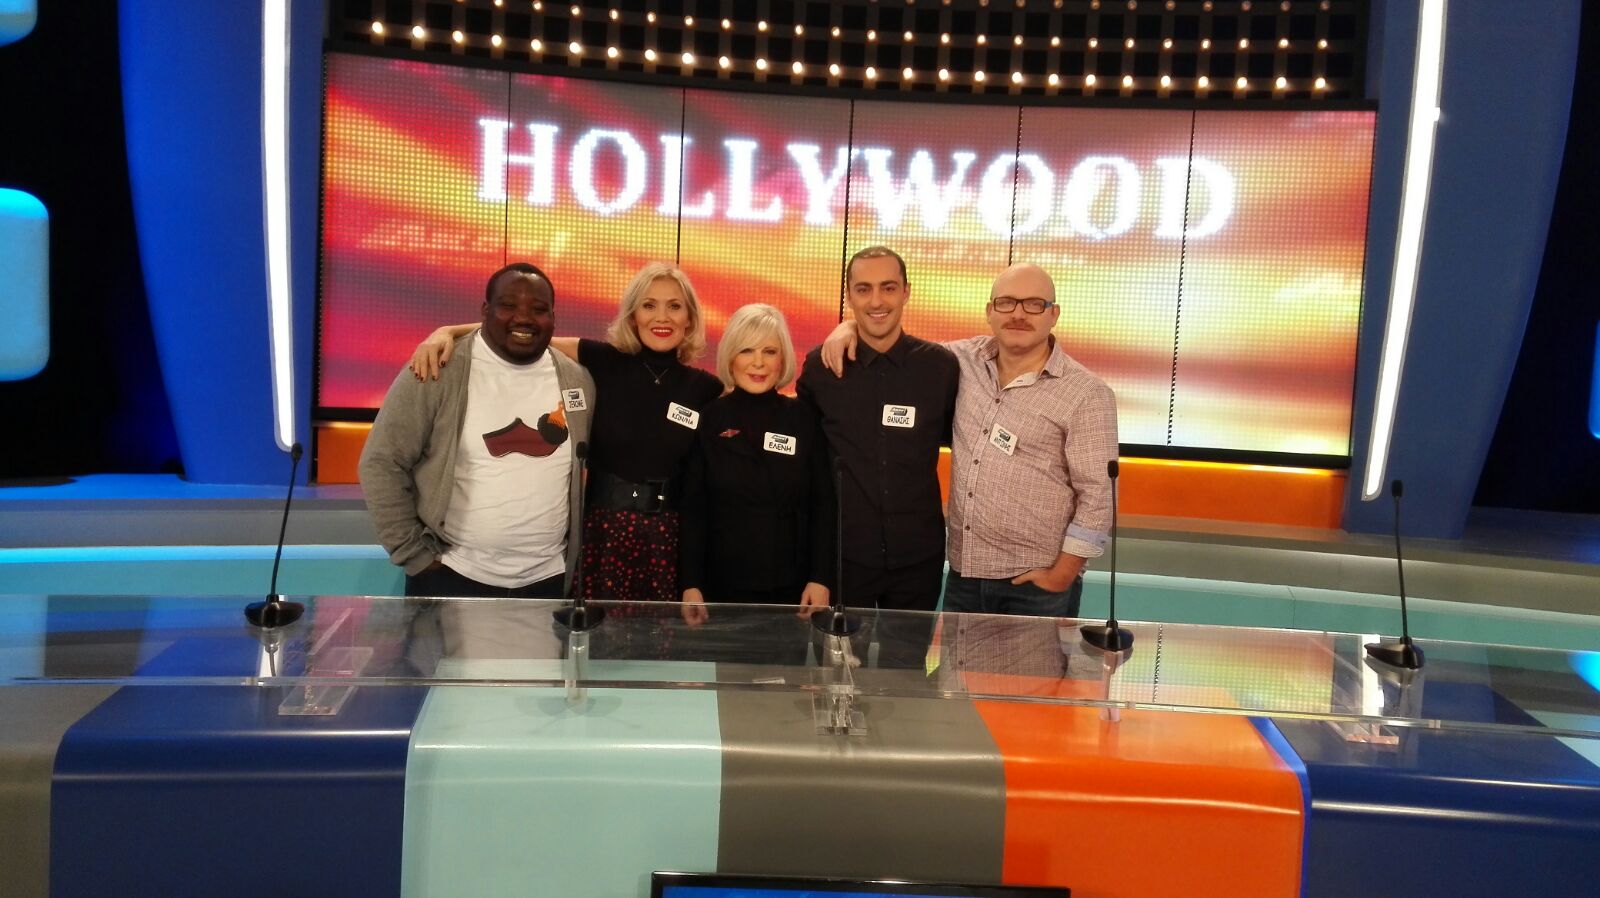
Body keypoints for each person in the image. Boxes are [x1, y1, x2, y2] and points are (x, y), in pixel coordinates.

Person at [408, 263, 723, 603]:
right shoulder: (603, 361)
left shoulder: (706, 388)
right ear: (633, 316)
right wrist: (447, 332)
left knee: (659, 635)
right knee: (596, 633)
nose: (662, 317)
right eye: (649, 305)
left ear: (690, 318)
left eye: (674, 306)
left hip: (666, 542)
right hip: (600, 536)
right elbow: (522, 332)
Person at [823, 263, 1119, 618]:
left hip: (1037, 584)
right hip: (965, 577)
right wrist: (849, 326)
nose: (1018, 314)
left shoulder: (1086, 393)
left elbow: (1099, 496)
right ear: (990, 311)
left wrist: (1062, 575)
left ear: (1053, 314)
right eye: (1006, 303)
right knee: (953, 660)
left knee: (1036, 661)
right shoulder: (959, 361)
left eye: (1033, 304)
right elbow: (894, 343)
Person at [360, 262, 595, 598]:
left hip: (550, 582)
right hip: (451, 576)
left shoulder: (578, 380)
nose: (524, 318)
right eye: (508, 305)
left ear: (553, 317)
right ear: (486, 310)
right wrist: (414, 555)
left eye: (539, 309)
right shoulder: (437, 368)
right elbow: (381, 461)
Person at [796, 246, 959, 667]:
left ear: (906, 292)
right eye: (863, 289)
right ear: (849, 296)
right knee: (835, 680)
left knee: (904, 675)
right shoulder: (820, 368)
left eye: (888, 288)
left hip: (918, 557)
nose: (876, 301)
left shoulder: (941, 367)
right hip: (843, 559)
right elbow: (808, 468)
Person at [678, 303, 834, 632]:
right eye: (747, 350)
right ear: (730, 357)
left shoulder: (804, 418)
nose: (758, 362)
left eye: (769, 351)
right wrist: (690, 582)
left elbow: (823, 505)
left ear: (783, 358)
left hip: (791, 590)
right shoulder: (710, 418)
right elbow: (694, 508)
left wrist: (820, 577)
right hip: (720, 588)